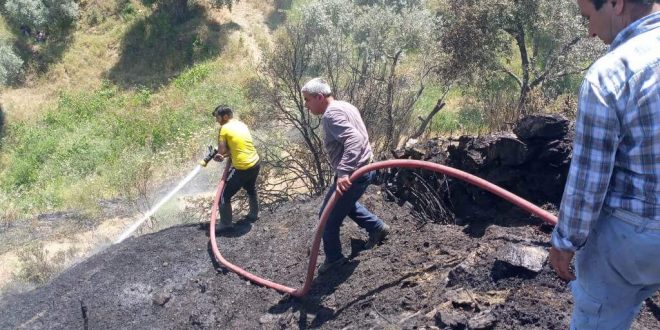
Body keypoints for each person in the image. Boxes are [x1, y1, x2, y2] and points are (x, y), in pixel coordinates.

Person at [549, 1, 660, 329]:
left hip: (633, 238)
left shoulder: (610, 74)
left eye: (589, 17)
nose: (591, 31)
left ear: (617, 4)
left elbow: (589, 181)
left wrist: (565, 241)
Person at [301, 77, 391, 274]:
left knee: (327, 218)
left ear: (319, 97)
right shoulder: (344, 105)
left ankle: (334, 260)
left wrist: (343, 173)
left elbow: (355, 139)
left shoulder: (330, 116)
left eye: (307, 100)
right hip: (362, 169)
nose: (306, 105)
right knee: (346, 205)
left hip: (353, 173)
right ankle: (377, 228)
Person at [212, 105, 260, 232]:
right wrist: (225, 153)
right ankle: (254, 214)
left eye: (218, 117)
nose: (217, 120)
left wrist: (219, 155)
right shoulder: (241, 124)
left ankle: (225, 224)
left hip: (242, 167)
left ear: (225, 116)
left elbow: (221, 151)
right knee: (251, 187)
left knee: (223, 195)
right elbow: (238, 146)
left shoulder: (224, 129)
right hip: (255, 163)